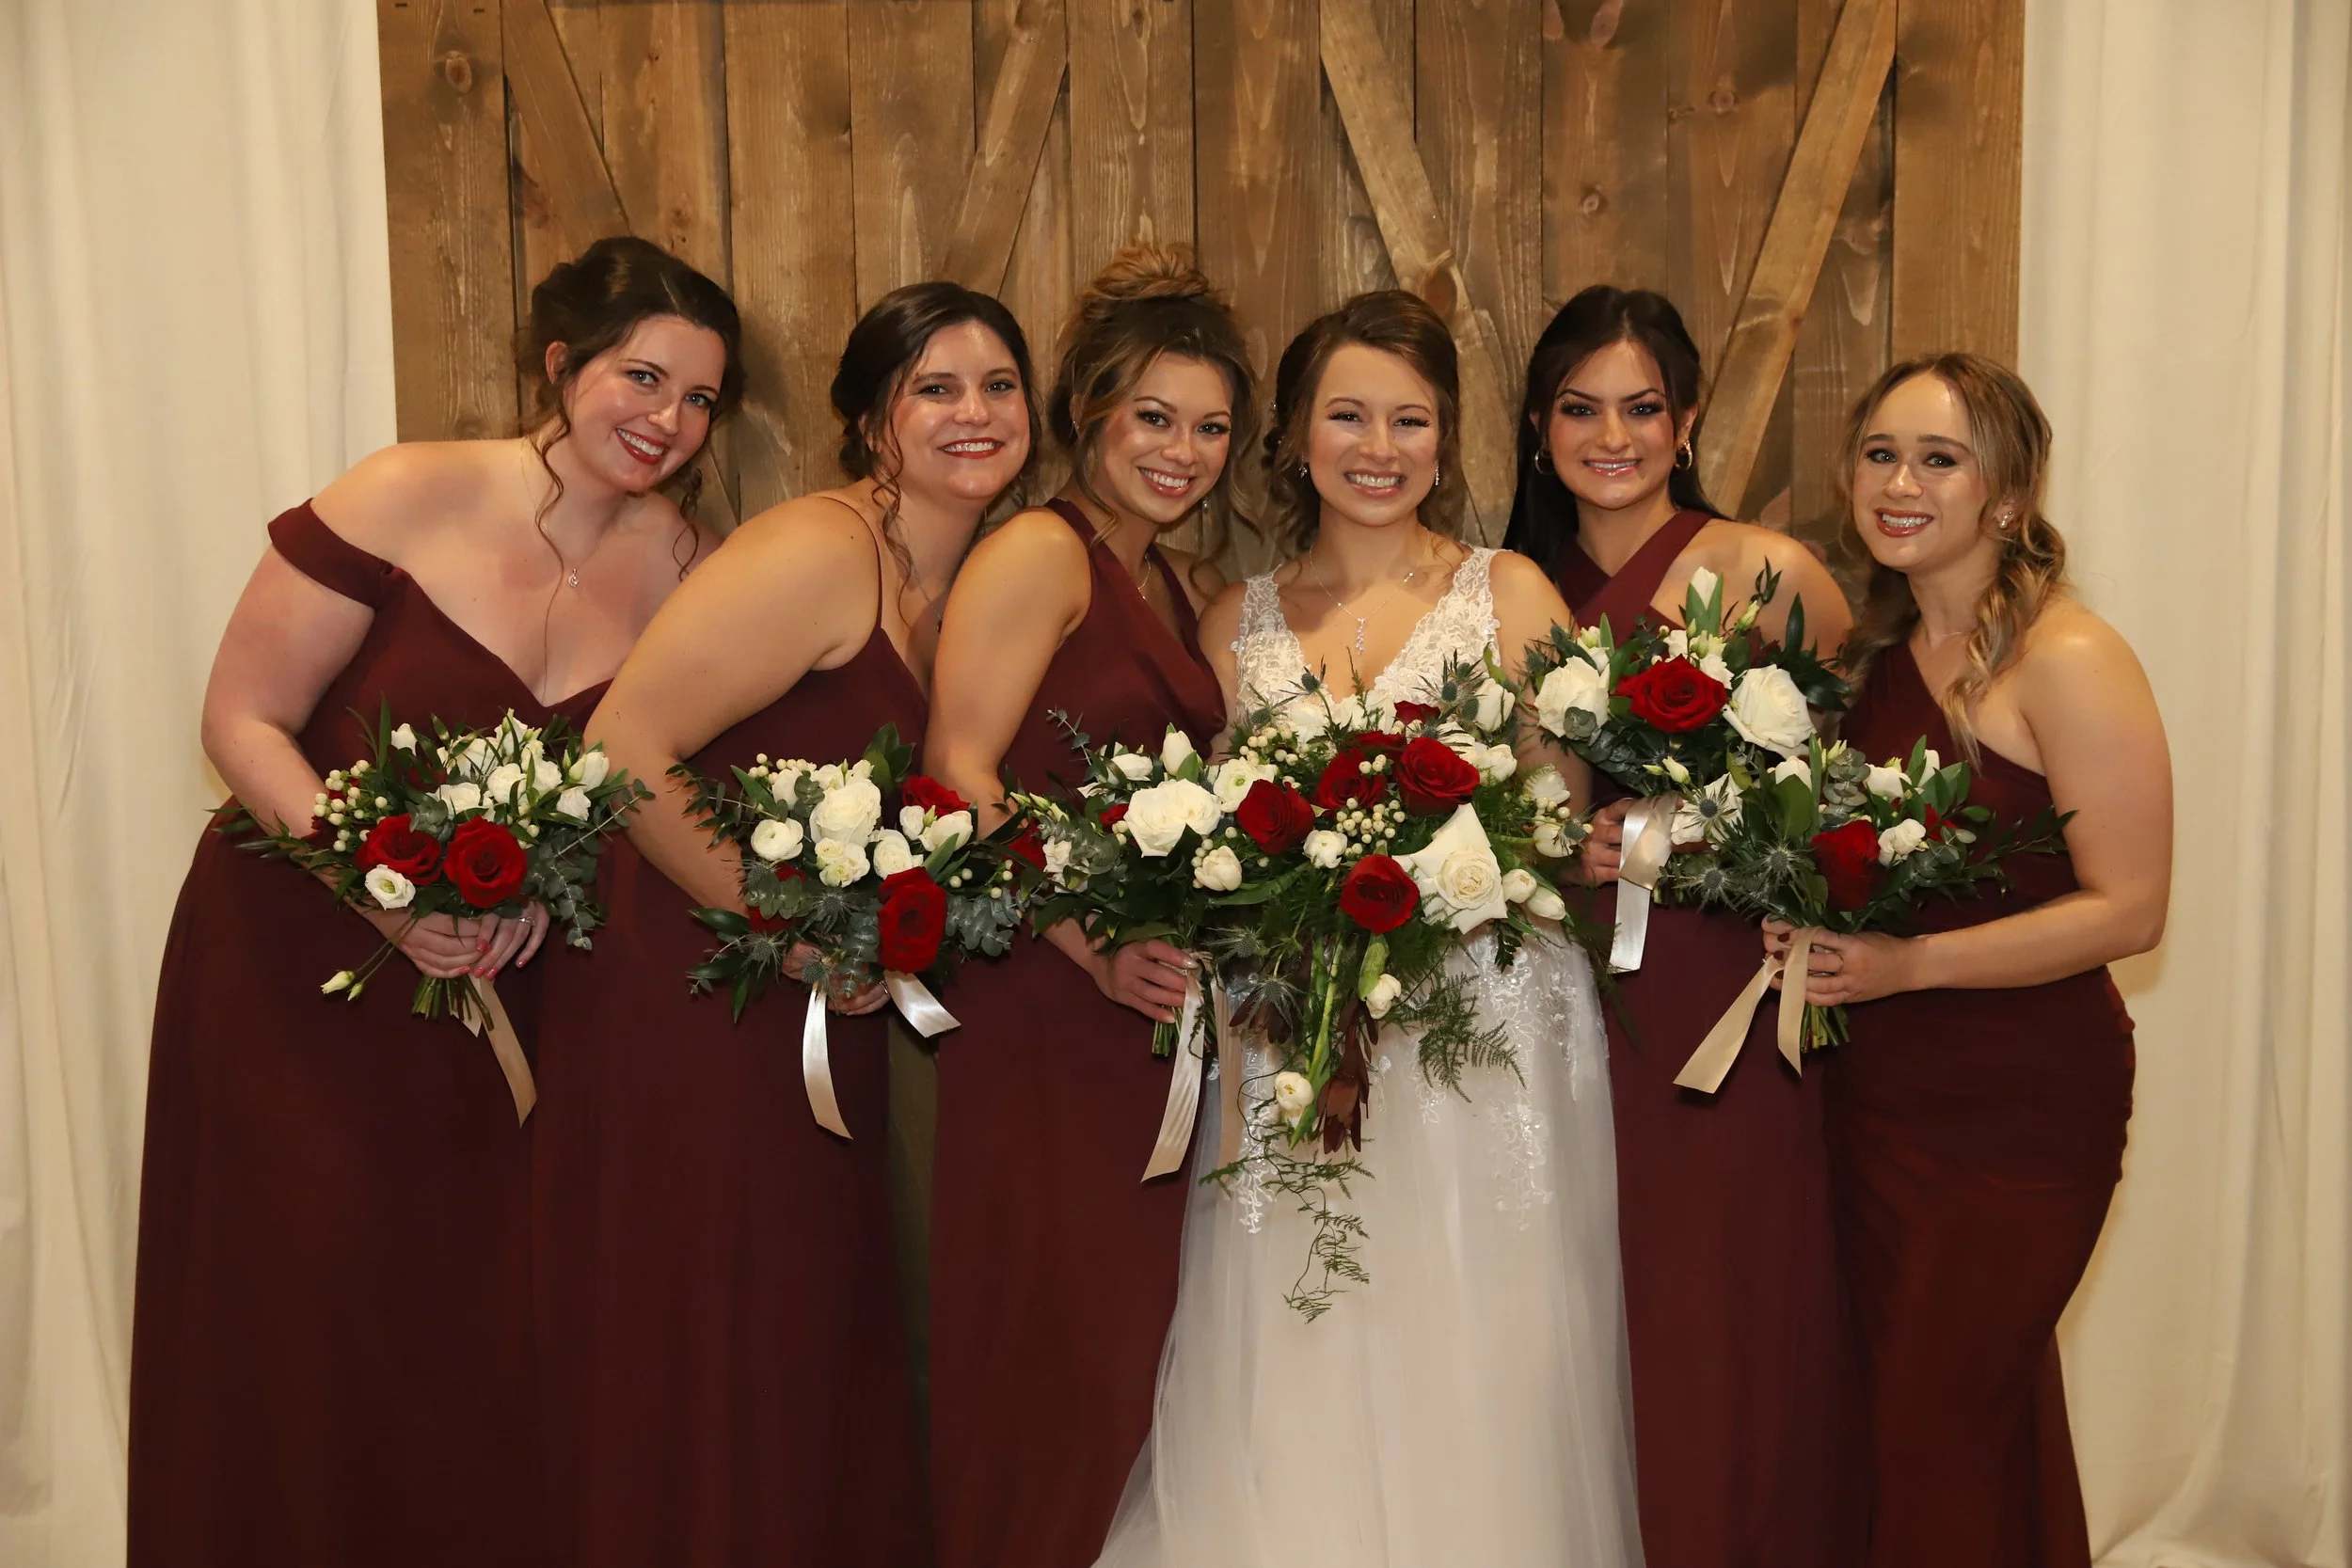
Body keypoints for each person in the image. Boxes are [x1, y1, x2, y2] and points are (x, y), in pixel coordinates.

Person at [127, 235, 740, 1568]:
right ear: (561, 363)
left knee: (460, 1320)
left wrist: (551, 886)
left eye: (699, 399)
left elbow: (640, 778)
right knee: (302, 1296)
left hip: (504, 1000)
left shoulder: (690, 560)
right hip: (297, 964)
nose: (668, 421)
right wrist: (380, 884)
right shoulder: (407, 490)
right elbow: (242, 718)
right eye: (643, 377)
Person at [1095, 289, 1641, 1567]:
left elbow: (1559, 813)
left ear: (1448, 442)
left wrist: (1491, 858)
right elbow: (1215, 826)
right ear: (1294, 435)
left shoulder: (1507, 591)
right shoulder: (1237, 621)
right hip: (1292, 1019)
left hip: (1489, 1022)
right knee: (1304, 1318)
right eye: (1348, 414)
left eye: (1413, 419)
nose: (1380, 446)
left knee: (1481, 1321)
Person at [534, 282, 1036, 1568]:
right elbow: (625, 748)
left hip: (821, 1010)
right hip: (698, 998)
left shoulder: (974, 577)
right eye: (935, 388)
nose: (974, 414)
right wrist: (790, 925)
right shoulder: (818, 551)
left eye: (998, 387)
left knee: (800, 1332)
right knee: (709, 1326)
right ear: (874, 419)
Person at [1767, 354, 2169, 1567]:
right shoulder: (1870, 666)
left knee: (1941, 1415)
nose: (1900, 483)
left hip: (2018, 1111)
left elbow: (2132, 910)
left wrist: (1910, 969)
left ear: (2005, 495)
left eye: (1939, 460)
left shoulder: (2070, 657)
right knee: (1946, 1417)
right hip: (1874, 1104)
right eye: (1882, 454)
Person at [1502, 283, 1867, 1567]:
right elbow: (1510, 804)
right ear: (1539, 425)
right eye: (1581, 407)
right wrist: (1568, 839)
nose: (1614, 433)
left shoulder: (1760, 566)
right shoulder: (1512, 587)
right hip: (1550, 986)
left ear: (1689, 415)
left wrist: (1717, 827)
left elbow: (1846, 787)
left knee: (1716, 1296)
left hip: (1718, 983)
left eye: (1643, 406)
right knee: (1577, 1305)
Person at [922, 245, 1249, 1568]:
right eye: (1154, 417)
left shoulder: (1167, 580)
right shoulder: (1042, 553)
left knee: (1124, 1358)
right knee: (1051, 1350)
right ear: (1093, 413)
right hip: (1047, 1014)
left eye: (1212, 426)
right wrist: (1093, 941)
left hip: (1137, 1016)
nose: (1183, 451)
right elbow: (958, 773)